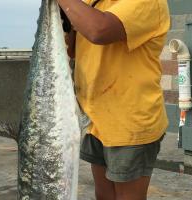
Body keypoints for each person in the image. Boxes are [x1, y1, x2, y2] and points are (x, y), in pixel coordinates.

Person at [57, 0, 170, 199]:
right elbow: (69, 49)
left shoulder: (149, 2)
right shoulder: (89, 2)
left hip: (130, 121)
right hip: (96, 119)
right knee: (104, 195)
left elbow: (99, 30)